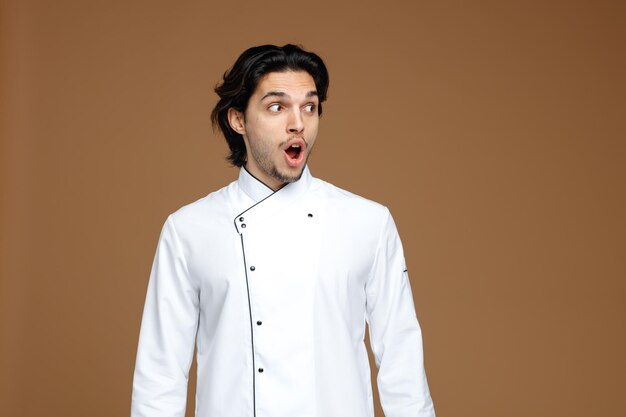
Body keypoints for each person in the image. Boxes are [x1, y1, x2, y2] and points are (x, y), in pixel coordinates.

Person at [131, 44, 436, 417]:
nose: (298, 123)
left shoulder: (368, 223)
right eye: (277, 107)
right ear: (238, 120)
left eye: (309, 107)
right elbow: (160, 375)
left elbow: (402, 360)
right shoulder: (189, 229)